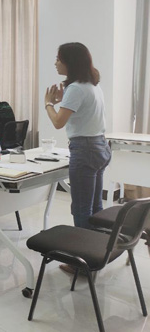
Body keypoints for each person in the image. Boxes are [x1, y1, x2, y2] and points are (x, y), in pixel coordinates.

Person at [45, 42, 111, 233]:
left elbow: (58, 122)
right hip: (100, 146)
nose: (55, 63)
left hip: (86, 150)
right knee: (95, 205)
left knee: (81, 208)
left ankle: (83, 250)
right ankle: (97, 243)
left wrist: (48, 104)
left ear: (70, 62)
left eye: (58, 59)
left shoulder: (75, 88)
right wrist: (63, 99)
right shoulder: (92, 84)